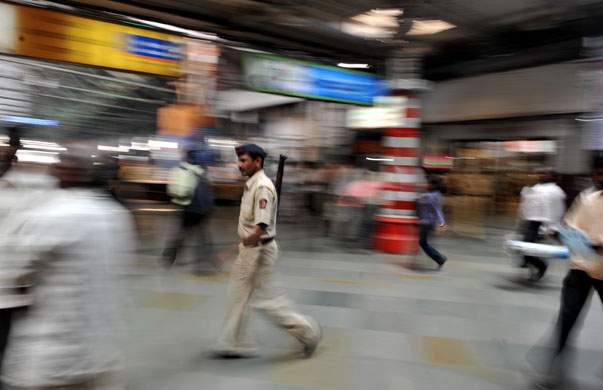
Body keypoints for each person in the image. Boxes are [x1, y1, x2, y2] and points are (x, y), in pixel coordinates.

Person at [0, 144, 135, 390]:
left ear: (70, 171)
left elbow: (13, 271)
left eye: (61, 161)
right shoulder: (117, 215)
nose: (54, 167)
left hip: (57, 351)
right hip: (102, 348)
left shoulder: (54, 215)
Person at [213, 144, 321, 358]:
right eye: (240, 161)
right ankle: (235, 343)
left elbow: (258, 230)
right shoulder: (252, 185)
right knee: (238, 296)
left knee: (266, 301)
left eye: (243, 161)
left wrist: (231, 251)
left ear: (257, 162)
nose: (239, 165)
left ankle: (308, 332)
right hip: (251, 249)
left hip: (258, 251)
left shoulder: (262, 187)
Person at [531, 154, 603, 389]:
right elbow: (572, 225)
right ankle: (552, 370)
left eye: (602, 173)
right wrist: (562, 233)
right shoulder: (588, 197)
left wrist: (597, 245)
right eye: (596, 173)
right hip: (581, 268)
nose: (598, 177)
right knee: (566, 319)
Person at [162, 150, 215, 273]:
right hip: (201, 208)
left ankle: (169, 257)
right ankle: (209, 258)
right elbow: (209, 188)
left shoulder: (182, 169)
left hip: (188, 206)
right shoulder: (202, 170)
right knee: (200, 234)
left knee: (182, 233)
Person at [518, 169, 566, 281]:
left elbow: (557, 212)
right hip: (531, 224)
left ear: (551, 176)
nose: (540, 175)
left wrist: (550, 229)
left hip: (542, 225)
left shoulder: (556, 191)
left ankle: (541, 266)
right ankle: (532, 266)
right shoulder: (535, 188)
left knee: (529, 250)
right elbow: (527, 207)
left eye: (544, 173)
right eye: (539, 173)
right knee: (527, 248)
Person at [416, 176, 448, 269]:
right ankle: (439, 259)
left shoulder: (432, 196)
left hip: (427, 223)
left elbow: (437, 210)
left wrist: (442, 224)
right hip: (426, 221)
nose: (426, 185)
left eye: (428, 184)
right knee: (423, 243)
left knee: (423, 243)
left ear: (433, 185)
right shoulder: (436, 195)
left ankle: (440, 259)